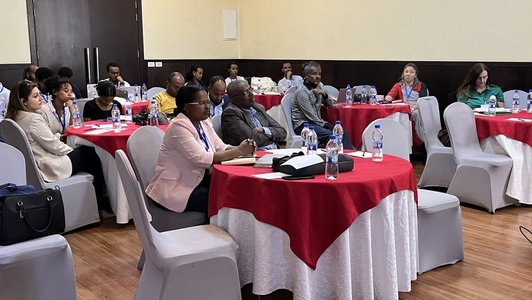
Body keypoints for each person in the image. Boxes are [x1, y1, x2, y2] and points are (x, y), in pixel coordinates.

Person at [145, 85, 256, 215]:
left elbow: (220, 146)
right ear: (186, 106)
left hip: (198, 180)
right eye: (201, 103)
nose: (207, 106)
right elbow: (201, 159)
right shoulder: (178, 125)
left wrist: (242, 148)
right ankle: (218, 232)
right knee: (226, 201)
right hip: (176, 188)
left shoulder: (204, 121)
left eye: (207, 102)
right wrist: (239, 151)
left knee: (237, 191)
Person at [5, 80, 109, 211]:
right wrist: (72, 149)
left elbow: (41, 140)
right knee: (90, 153)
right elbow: (55, 147)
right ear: (23, 101)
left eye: (40, 95)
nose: (41, 99)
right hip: (48, 166)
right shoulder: (32, 119)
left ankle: (98, 202)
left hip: (31, 167)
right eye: (36, 96)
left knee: (85, 154)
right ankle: (102, 202)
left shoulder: (12, 118)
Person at [292, 61, 353, 148]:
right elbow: (310, 116)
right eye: (314, 74)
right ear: (306, 76)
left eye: (319, 74)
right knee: (331, 134)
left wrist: (324, 94)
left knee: (343, 133)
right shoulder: (301, 92)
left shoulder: (318, 86)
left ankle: (348, 156)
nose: (318, 77)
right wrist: (325, 125)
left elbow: (330, 104)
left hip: (317, 123)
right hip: (303, 125)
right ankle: (334, 156)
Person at [222, 80, 286, 150]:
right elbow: (253, 140)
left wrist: (264, 130)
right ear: (234, 98)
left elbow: (282, 132)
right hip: (254, 155)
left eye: (250, 89)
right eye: (246, 92)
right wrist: (273, 136)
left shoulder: (258, 108)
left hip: (274, 150)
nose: (252, 94)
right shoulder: (231, 113)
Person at [384, 63, 429, 142]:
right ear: (403, 74)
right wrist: (387, 97)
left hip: (416, 108)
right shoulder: (398, 85)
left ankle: (418, 138)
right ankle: (399, 138)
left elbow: (423, 101)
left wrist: (413, 108)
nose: (408, 74)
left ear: (415, 75)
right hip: (403, 108)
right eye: (406, 72)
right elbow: (389, 96)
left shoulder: (421, 85)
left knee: (416, 114)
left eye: (411, 72)